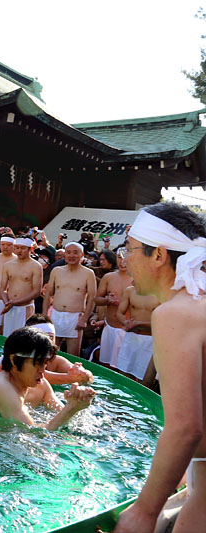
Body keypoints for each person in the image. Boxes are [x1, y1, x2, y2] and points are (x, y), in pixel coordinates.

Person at [112, 203, 206, 532]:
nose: (125, 260)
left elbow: (186, 429)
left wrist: (145, 511)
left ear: (159, 255)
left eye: (130, 249)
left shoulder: (175, 314)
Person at [0, 327, 96, 430]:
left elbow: (63, 415)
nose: (42, 370)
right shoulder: (0, 386)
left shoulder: (40, 384)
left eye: (45, 363)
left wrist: (77, 402)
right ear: (14, 360)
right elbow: (31, 433)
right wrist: (71, 408)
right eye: (37, 362)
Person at [43, 242, 97, 356]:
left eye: (75, 252)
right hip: (56, 314)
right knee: (50, 352)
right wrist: (44, 315)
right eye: (68, 252)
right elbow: (48, 294)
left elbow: (92, 298)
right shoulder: (57, 271)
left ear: (82, 254)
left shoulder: (88, 273)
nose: (71, 255)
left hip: (75, 317)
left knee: (73, 355)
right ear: (65, 255)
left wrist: (84, 319)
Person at [94, 248, 133, 367]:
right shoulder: (108, 277)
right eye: (119, 257)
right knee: (106, 365)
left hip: (127, 330)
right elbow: (97, 299)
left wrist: (124, 302)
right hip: (110, 327)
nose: (122, 261)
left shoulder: (138, 279)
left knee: (125, 368)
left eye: (125, 257)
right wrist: (108, 300)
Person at [0, 237, 43, 337]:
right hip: (9, 306)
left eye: (23, 248)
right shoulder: (8, 265)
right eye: (17, 248)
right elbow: (2, 288)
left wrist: (15, 302)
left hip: (25, 307)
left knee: (24, 337)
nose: (19, 251)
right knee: (7, 336)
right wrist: (6, 302)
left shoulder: (36, 266)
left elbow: (37, 291)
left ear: (30, 249)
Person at [114, 285, 159, 382]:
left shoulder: (161, 293)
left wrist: (139, 323)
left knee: (146, 381)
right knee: (123, 377)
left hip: (150, 340)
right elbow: (119, 313)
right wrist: (125, 322)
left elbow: (163, 322)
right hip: (131, 338)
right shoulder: (130, 290)